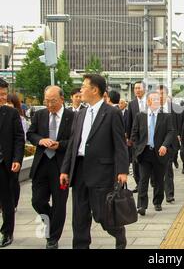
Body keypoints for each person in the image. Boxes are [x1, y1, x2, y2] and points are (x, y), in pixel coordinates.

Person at [60, 74, 129, 249]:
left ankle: (118, 233)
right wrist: (65, 169)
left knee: (103, 215)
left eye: (84, 86)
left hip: (102, 172)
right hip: (79, 171)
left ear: (95, 90)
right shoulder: (80, 114)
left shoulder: (112, 113)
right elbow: (73, 144)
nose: (81, 90)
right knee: (80, 217)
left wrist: (122, 171)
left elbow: (120, 144)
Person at [27, 86, 74, 249]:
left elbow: (75, 142)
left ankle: (53, 239)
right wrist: (41, 140)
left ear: (62, 99)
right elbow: (30, 134)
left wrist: (59, 145)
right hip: (41, 165)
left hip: (61, 167)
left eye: (52, 101)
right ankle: (51, 220)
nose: (49, 104)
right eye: (46, 101)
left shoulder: (72, 117)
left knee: (60, 203)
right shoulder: (39, 115)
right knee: (37, 201)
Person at [131, 91, 174, 215]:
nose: (157, 101)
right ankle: (141, 205)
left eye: (158, 99)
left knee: (159, 179)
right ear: (148, 102)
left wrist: (165, 146)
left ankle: (157, 202)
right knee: (143, 180)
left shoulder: (166, 116)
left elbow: (170, 132)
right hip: (145, 153)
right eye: (154, 99)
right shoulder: (140, 116)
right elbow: (134, 134)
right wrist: (138, 147)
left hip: (160, 153)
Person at [0, 78, 25, 248]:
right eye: (0, 94)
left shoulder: (11, 114)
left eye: (4, 94)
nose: (3, 98)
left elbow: (19, 139)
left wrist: (17, 159)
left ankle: (7, 232)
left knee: (7, 200)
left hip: (5, 164)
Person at [157, 85, 181, 204]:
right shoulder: (152, 108)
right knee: (156, 172)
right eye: (158, 94)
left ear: (166, 95)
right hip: (155, 144)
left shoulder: (175, 108)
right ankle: (158, 193)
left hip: (170, 144)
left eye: (162, 93)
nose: (160, 96)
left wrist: (179, 135)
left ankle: (169, 194)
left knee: (168, 169)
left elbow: (180, 124)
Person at [5, 94, 29, 211]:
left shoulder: (19, 118)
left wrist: (17, 158)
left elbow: (21, 137)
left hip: (14, 155)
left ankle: (13, 203)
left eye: (10, 102)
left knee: (13, 180)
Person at [127, 81, 147, 193]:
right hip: (136, 138)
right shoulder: (132, 104)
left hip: (148, 137)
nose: (137, 90)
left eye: (139, 88)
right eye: (135, 88)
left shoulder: (149, 102)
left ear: (144, 89)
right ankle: (138, 183)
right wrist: (129, 137)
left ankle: (150, 181)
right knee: (135, 162)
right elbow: (129, 121)